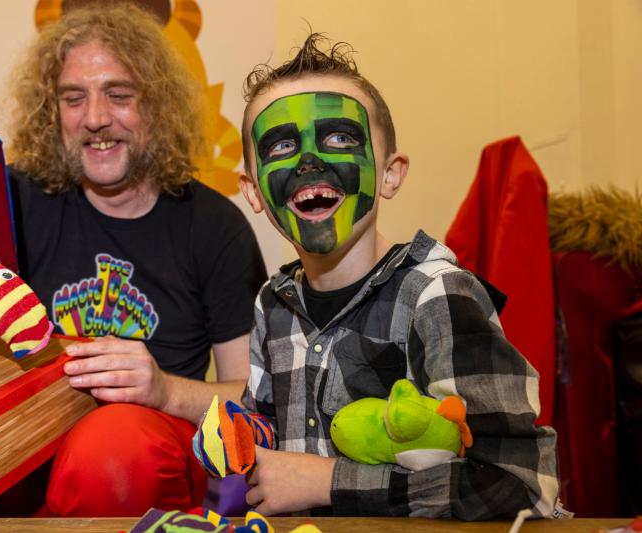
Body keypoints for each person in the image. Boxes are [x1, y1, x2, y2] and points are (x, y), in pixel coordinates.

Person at [235, 34, 559, 519]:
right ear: (253, 189)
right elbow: (265, 451)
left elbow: (519, 485)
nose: (309, 163)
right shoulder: (271, 303)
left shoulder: (437, 294)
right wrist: (233, 442)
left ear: (390, 174)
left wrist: (329, 482)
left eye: (340, 138)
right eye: (281, 145)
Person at [3, 4, 266, 516]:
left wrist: (164, 390)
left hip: (143, 454)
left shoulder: (215, 227)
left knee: (114, 450)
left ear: (158, 105)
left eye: (119, 95)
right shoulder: (17, 200)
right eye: (73, 98)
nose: (95, 118)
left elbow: (252, 399)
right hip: (29, 442)